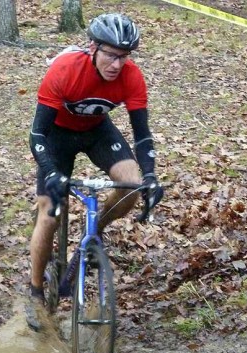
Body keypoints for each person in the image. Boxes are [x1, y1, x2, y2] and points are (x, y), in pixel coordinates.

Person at [25, 13, 162, 330]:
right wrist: (50, 171)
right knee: (49, 212)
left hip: (97, 130)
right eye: (111, 55)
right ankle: (34, 293)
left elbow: (142, 134)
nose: (117, 64)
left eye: (123, 57)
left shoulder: (132, 76)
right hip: (56, 135)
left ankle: (94, 231)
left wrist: (151, 175)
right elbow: (37, 135)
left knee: (132, 183)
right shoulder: (65, 70)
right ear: (93, 48)